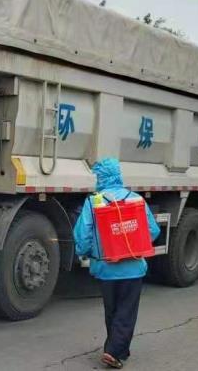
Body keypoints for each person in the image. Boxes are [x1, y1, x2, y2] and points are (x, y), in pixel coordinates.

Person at [74, 158, 161, 369]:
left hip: (105, 268)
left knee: (112, 311)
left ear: (101, 178)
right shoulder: (136, 199)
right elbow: (153, 230)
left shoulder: (94, 202)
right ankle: (114, 351)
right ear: (118, 175)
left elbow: (83, 235)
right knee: (126, 311)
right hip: (133, 267)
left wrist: (84, 253)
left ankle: (115, 350)